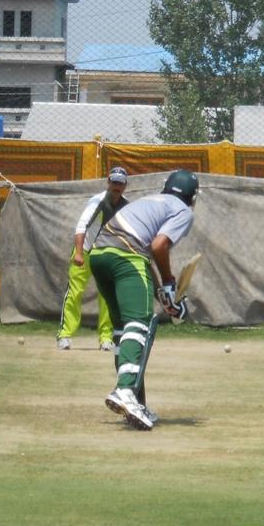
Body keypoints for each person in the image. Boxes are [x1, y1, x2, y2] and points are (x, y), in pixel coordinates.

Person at [89, 169, 199, 431]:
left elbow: (145, 251)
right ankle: (124, 390)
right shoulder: (183, 211)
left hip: (100, 255)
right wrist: (171, 283)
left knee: (122, 331)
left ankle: (135, 402)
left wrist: (162, 291)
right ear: (192, 196)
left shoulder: (150, 201)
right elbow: (157, 246)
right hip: (126, 255)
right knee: (138, 324)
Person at [56, 166, 131, 351]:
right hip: (86, 251)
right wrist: (80, 253)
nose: (117, 187)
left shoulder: (126, 205)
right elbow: (82, 226)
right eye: (114, 182)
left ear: (125, 186)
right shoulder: (98, 201)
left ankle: (106, 338)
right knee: (74, 293)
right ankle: (64, 335)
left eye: (120, 184)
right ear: (108, 182)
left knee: (107, 297)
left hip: (105, 254)